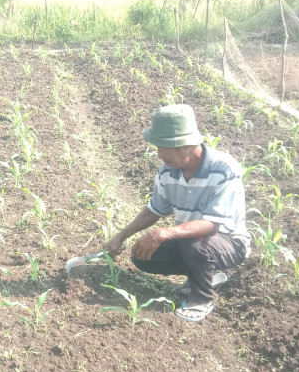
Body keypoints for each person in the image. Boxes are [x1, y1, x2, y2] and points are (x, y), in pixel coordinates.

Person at [104, 104, 250, 322]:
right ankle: (202, 276)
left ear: (185, 145)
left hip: (228, 242)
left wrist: (163, 233)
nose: (159, 154)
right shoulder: (167, 171)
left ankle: (202, 299)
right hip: (189, 240)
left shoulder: (224, 170)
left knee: (196, 242)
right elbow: (155, 210)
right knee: (143, 255)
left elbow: (212, 225)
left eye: (163, 148)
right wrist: (120, 236)